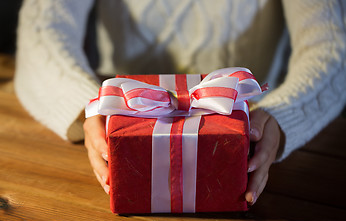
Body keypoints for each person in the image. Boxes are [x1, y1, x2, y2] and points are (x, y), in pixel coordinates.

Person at [15, 0, 346, 205]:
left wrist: (282, 115)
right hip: (125, 118)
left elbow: (333, 47)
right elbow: (41, 32)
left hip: (243, 124)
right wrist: (90, 107)